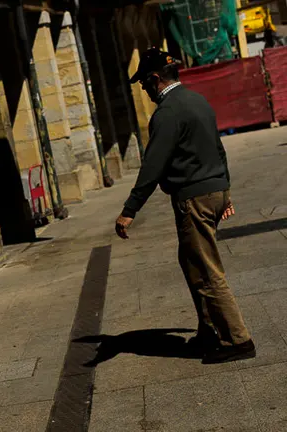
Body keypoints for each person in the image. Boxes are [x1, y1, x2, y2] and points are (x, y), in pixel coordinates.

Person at [114, 48, 255, 364]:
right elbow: (218, 150)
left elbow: (152, 166)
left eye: (145, 85)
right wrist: (225, 190)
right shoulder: (197, 101)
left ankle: (238, 339)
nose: (145, 93)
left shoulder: (167, 114)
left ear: (155, 79)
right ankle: (209, 333)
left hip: (195, 198)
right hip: (214, 190)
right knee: (192, 264)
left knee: (206, 269)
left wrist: (129, 210)